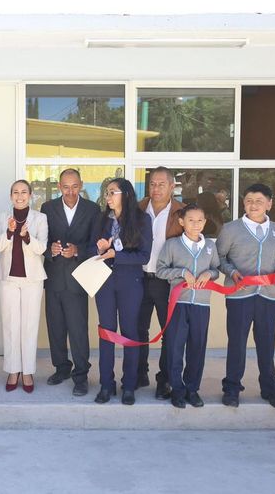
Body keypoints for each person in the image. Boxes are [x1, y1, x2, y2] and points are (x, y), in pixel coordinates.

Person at [216, 183, 275, 409]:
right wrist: (231, 272)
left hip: (269, 296)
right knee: (237, 343)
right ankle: (231, 388)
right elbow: (219, 257)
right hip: (240, 296)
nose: (253, 205)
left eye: (259, 201)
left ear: (269, 203)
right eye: (248, 200)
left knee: (266, 344)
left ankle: (270, 389)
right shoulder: (231, 229)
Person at [88, 178, 152, 405]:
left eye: (112, 192)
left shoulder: (142, 220)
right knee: (106, 333)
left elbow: (144, 256)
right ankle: (106, 384)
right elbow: (90, 247)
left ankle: (129, 385)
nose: (108, 196)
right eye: (106, 192)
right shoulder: (101, 218)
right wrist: (99, 248)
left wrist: (117, 255)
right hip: (104, 282)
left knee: (129, 333)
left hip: (130, 282)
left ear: (125, 194)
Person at [41, 169, 100, 396]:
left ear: (81, 185)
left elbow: (95, 245)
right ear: (59, 187)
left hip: (78, 279)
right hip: (54, 277)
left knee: (77, 330)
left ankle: (81, 375)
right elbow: (41, 241)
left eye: (74, 186)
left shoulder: (93, 210)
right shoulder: (48, 208)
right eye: (66, 186)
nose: (70, 191)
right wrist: (50, 251)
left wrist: (78, 250)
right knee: (55, 328)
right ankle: (61, 368)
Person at [156, 204, 220, 408]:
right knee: (175, 347)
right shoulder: (172, 245)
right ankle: (177, 389)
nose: (196, 224)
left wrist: (209, 274)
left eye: (200, 220)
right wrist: (182, 273)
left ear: (205, 222)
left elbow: (216, 269)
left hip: (201, 304)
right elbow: (160, 271)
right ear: (182, 222)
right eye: (191, 220)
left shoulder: (210, 246)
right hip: (178, 304)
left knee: (197, 348)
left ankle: (192, 389)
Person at [0, 180, 48, 393]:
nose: (19, 196)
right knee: (11, 325)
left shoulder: (40, 218)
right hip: (8, 279)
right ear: (10, 195)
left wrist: (26, 236)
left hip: (32, 280)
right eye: (15, 192)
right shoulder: (2, 217)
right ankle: (12, 369)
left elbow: (42, 248)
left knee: (29, 326)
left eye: (24, 192)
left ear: (31, 195)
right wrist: (8, 232)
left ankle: (27, 371)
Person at [137, 166, 185, 400]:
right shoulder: (137, 209)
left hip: (167, 282)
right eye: (152, 184)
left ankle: (165, 380)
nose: (156, 189)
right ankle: (139, 374)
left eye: (161, 184)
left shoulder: (182, 212)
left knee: (170, 333)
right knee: (137, 330)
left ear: (172, 186)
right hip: (138, 278)